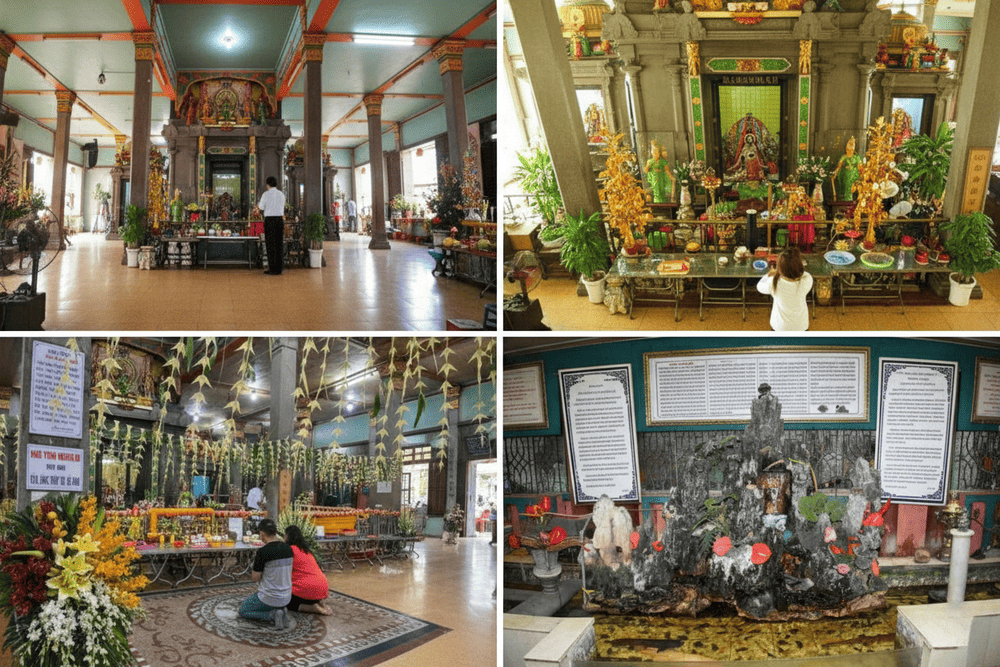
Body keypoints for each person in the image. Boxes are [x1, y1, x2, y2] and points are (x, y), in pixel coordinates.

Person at [238, 519, 293, 629]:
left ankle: (271, 615)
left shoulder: (263, 552)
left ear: (262, 534)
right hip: (287, 597)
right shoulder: (288, 549)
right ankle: (280, 610)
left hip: (268, 597)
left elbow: (255, 578)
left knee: (243, 610)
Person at [756, 247, 813, 331]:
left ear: (780, 268)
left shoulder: (773, 282)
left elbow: (759, 286)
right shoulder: (806, 280)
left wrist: (771, 274)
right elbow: (803, 273)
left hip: (779, 327)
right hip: (801, 326)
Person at [283, 525, 332, 615]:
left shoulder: (289, 550)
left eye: (284, 535)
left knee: (283, 601)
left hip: (306, 589)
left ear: (288, 536)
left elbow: (285, 573)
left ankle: (311, 607)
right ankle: (319, 602)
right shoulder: (306, 550)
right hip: (322, 588)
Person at [258, 176, 286, 274]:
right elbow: (283, 205)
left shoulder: (265, 194)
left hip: (269, 220)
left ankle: (272, 269)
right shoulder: (281, 194)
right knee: (279, 243)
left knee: (270, 244)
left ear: (267, 184)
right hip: (279, 220)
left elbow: (261, 207)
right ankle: (279, 268)